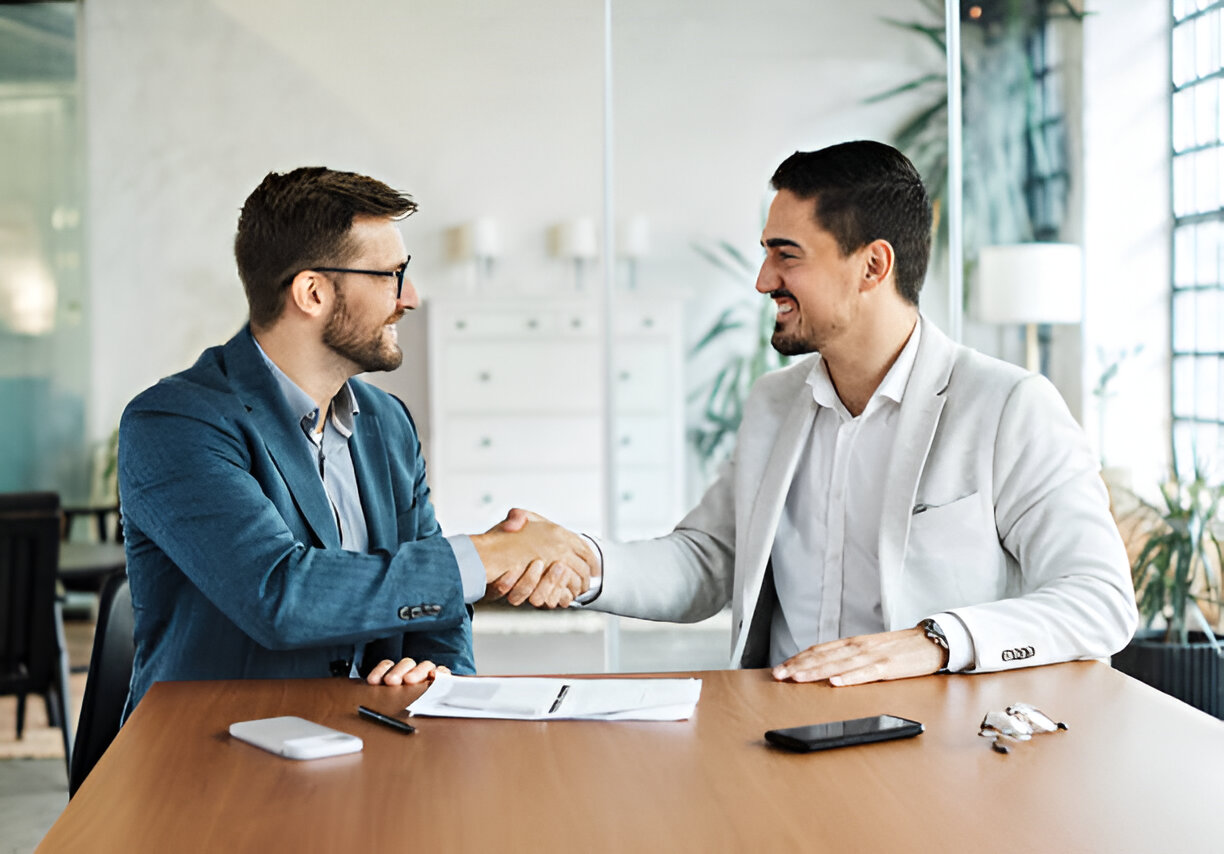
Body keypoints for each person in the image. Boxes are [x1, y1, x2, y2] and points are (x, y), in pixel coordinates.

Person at [513, 140, 1137, 686]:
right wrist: (587, 562)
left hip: (936, 752)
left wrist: (932, 642)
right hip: (779, 735)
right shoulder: (773, 403)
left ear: (872, 266)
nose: (763, 280)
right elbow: (708, 559)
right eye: (766, 253)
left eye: (787, 255)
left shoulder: (1007, 406)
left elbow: (1100, 600)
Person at [118, 166, 597, 713]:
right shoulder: (175, 423)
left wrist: (436, 675)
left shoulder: (388, 422)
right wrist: (488, 554)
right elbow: (281, 594)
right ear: (313, 292)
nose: (409, 297)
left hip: (365, 741)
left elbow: (438, 608)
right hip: (212, 756)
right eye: (391, 274)